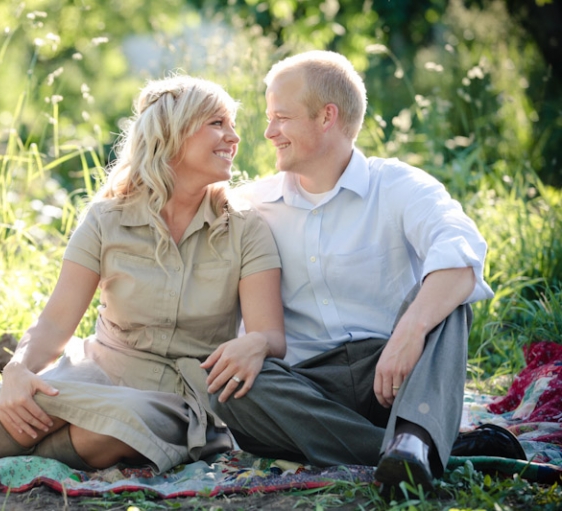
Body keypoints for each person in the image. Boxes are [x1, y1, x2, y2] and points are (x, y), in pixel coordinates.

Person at [0, 75, 286, 509]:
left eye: (232, 124)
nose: (234, 137)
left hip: (179, 401)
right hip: (102, 375)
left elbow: (271, 336)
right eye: (217, 123)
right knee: (38, 397)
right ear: (171, 134)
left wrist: (257, 342)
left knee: (113, 429)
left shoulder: (245, 229)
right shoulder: (107, 219)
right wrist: (17, 371)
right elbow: (54, 324)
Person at [207, 50, 495, 492]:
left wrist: (411, 329)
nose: (268, 133)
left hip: (400, 375)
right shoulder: (252, 207)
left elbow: (461, 251)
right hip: (309, 393)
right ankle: (416, 449)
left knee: (450, 304)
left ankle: (415, 437)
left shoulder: (398, 186)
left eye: (281, 118)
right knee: (229, 386)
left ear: (327, 117)